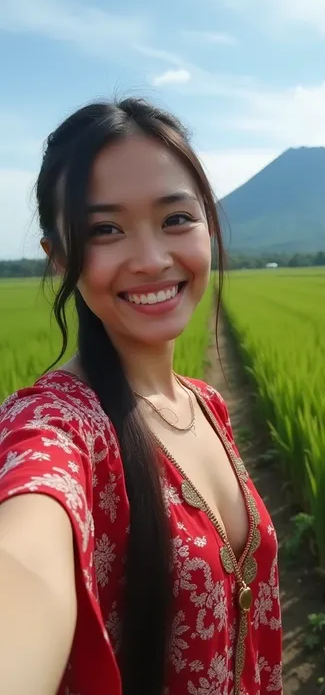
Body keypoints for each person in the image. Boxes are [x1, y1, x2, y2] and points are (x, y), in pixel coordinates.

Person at [0, 98, 283, 695]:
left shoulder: (206, 404)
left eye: (176, 218)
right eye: (105, 230)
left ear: (207, 222)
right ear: (59, 259)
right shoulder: (56, 427)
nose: (153, 260)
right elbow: (23, 558)